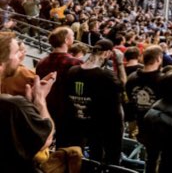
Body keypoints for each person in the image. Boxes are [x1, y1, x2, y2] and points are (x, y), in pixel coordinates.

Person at [0, 32, 56, 173]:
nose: (20, 56)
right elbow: (45, 139)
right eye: (16, 52)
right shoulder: (14, 106)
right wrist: (40, 100)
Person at [63, 38, 125, 165]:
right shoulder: (106, 75)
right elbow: (123, 84)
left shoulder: (73, 71)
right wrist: (119, 63)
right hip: (105, 123)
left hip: (83, 120)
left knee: (91, 156)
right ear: (107, 53)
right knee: (110, 157)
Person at [34, 26, 82, 146]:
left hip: (46, 109)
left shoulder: (41, 62)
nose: (74, 37)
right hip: (67, 113)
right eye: (72, 35)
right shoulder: (76, 63)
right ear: (66, 40)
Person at [126, 45, 163, 137]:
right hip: (155, 125)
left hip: (135, 122)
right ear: (158, 59)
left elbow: (129, 99)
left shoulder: (131, 77)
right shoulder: (164, 80)